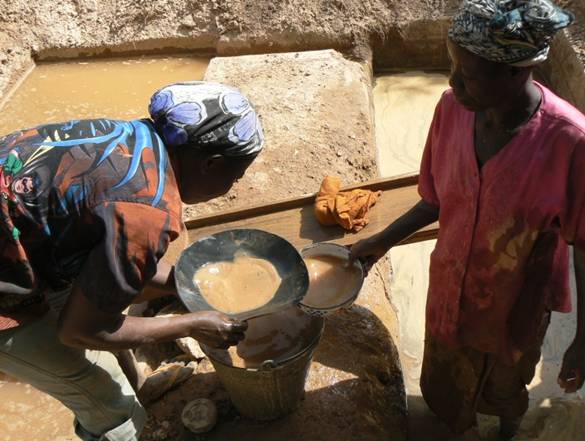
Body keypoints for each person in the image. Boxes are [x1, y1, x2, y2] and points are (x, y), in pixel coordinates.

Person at [350, 1, 583, 440]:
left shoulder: (569, 143)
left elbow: (583, 243)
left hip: (516, 305)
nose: (453, 82)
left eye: (468, 74)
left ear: (516, 72)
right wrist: (379, 243)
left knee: (505, 387)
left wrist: (583, 339)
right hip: (450, 289)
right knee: (446, 382)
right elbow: (436, 200)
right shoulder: (451, 109)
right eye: (452, 67)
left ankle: (506, 430)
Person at [0, 81, 264, 441]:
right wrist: (191, 324)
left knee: (107, 301)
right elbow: (79, 330)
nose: (234, 185)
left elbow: (121, 259)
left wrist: (187, 280)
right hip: (7, 292)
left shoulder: (131, 136)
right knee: (104, 399)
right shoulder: (147, 210)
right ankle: (122, 419)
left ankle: (139, 386)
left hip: (22, 246)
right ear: (210, 163)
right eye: (236, 175)